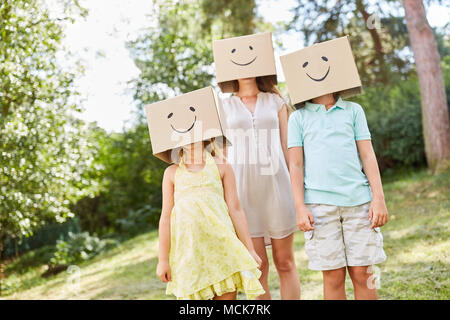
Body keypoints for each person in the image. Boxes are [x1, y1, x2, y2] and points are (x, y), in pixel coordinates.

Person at [288, 92, 388, 300]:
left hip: (359, 202)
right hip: (319, 207)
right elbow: (296, 165)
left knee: (363, 272)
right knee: (333, 275)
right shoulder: (298, 118)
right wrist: (299, 207)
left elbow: (368, 155)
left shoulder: (353, 110)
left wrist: (378, 198)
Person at [156, 139, 265, 300]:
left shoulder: (222, 167)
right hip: (190, 254)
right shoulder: (172, 173)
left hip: (222, 250)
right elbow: (165, 218)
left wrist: (249, 249)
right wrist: (163, 260)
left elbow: (235, 209)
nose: (189, 138)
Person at [222, 76, 300, 300]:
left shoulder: (276, 102)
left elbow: (288, 149)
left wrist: (298, 192)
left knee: (285, 262)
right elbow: (222, 155)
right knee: (257, 267)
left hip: (277, 187)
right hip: (243, 193)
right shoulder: (224, 105)